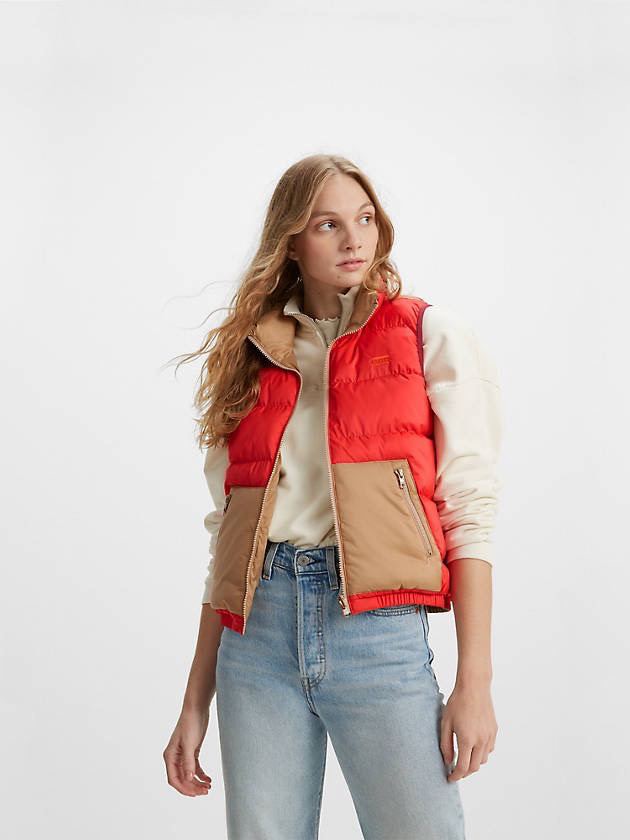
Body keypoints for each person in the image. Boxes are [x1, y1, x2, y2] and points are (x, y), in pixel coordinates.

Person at [163, 153, 502, 839]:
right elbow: (226, 540)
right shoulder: (250, 357)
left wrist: (476, 682)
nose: (354, 239)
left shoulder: (426, 334)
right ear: (291, 241)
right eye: (327, 224)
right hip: (257, 637)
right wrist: (195, 700)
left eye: (365, 219)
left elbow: (470, 513)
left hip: (377, 633)